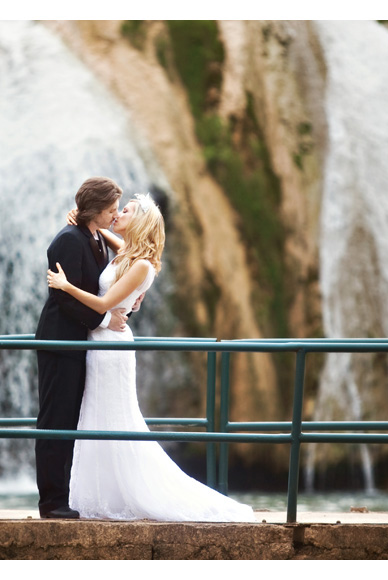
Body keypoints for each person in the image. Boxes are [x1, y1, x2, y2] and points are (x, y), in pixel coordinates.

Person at [47, 193, 256, 522]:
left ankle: (127, 492)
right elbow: (109, 238)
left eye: (125, 210)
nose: (117, 213)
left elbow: (103, 306)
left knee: (115, 419)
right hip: (99, 341)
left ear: (140, 221)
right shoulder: (129, 253)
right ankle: (102, 493)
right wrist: (86, 219)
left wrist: (65, 285)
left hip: (110, 345)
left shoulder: (141, 265)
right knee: (97, 417)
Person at [34, 176, 128, 519]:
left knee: (69, 420)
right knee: (55, 420)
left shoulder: (94, 236)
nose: (115, 215)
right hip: (60, 342)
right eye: (111, 210)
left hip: (78, 343)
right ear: (95, 211)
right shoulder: (68, 241)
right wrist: (105, 321)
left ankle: (63, 496)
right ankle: (51, 502)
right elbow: (63, 296)